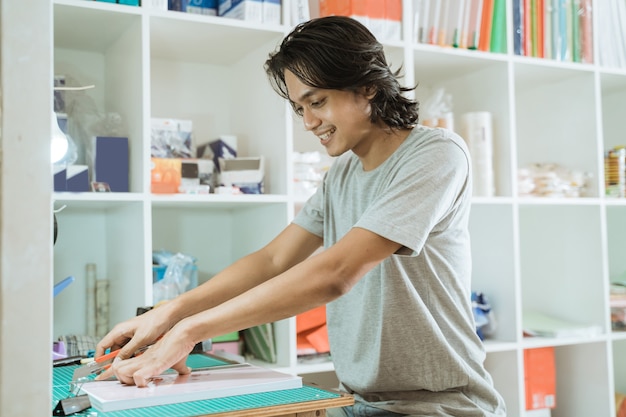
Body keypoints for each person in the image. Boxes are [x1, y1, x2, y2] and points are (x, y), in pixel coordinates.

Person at [96, 16, 506, 417]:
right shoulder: (342, 174)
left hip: (439, 405)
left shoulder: (436, 154)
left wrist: (189, 331)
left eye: (318, 101)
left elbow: (336, 272)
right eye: (300, 108)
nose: (309, 122)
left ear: (368, 86)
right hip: (356, 401)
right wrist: (169, 313)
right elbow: (272, 261)